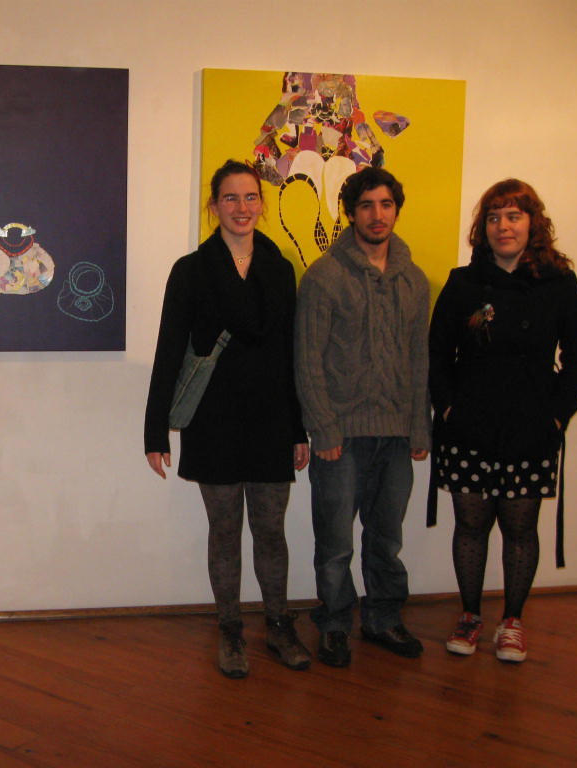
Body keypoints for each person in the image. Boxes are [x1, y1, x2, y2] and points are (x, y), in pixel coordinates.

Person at [144, 159, 311, 679]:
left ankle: (279, 625)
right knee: (224, 533)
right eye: (231, 198)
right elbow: (169, 350)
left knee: (271, 532)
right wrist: (154, 431)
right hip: (212, 423)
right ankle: (231, 631)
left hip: (270, 422)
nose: (242, 207)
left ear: (262, 203)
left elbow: (290, 355)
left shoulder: (280, 269)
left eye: (251, 197)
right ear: (214, 206)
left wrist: (298, 428)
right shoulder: (190, 270)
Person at [427, 179, 577, 663]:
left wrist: (558, 416)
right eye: (494, 217)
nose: (503, 226)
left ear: (532, 223)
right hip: (469, 425)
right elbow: (437, 353)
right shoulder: (463, 283)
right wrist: (447, 407)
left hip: (531, 427)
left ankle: (513, 621)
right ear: (484, 227)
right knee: (471, 525)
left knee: (521, 529)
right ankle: (470, 615)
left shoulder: (559, 284)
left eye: (514, 216)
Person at [294, 166, 431, 667]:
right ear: (351, 213)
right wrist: (324, 428)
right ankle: (334, 624)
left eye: (386, 204)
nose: (377, 215)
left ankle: (383, 619)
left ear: (396, 210)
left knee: (387, 539)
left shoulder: (415, 281)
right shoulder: (324, 277)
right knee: (335, 544)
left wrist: (419, 425)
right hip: (342, 438)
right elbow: (307, 360)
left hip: (396, 436)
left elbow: (419, 360)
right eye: (367, 205)